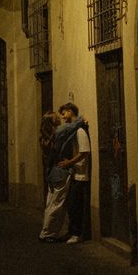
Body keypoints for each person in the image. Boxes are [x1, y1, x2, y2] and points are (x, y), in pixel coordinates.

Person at [38, 111, 84, 243]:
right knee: (57, 204)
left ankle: (46, 231)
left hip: (52, 173)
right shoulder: (59, 132)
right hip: (60, 172)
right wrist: (80, 118)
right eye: (57, 117)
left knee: (50, 203)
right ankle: (47, 234)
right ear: (53, 122)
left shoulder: (44, 136)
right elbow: (76, 123)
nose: (60, 117)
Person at [58, 102, 91, 244]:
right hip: (75, 173)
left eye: (64, 113)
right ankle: (71, 231)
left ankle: (76, 234)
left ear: (71, 111)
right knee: (72, 205)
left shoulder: (80, 131)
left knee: (76, 205)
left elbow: (84, 152)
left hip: (81, 175)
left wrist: (69, 162)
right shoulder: (74, 130)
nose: (63, 117)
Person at [39, 111, 61, 203]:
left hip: (54, 165)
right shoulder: (46, 136)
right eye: (56, 118)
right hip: (51, 165)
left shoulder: (56, 132)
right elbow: (48, 148)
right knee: (53, 193)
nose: (59, 118)